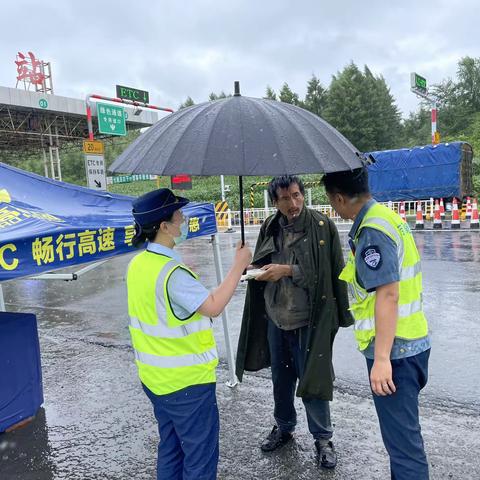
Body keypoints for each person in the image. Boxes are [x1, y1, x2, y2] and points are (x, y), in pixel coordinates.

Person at [126, 188, 252, 480]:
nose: (182, 219)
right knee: (199, 458)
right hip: (187, 385)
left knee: (171, 449)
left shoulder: (138, 265)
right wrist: (238, 265)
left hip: (155, 380)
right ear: (164, 226)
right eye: (177, 214)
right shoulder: (171, 272)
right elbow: (214, 306)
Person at [235, 175, 353, 469]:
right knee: (281, 380)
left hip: (309, 321)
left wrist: (287, 270)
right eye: (285, 199)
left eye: (297, 195)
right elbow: (263, 263)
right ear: (274, 202)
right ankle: (284, 427)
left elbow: (329, 274)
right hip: (277, 317)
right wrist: (252, 267)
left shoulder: (321, 226)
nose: (293, 203)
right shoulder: (270, 226)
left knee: (313, 382)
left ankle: (323, 438)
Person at [322, 167, 431, 480]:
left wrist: (382, 359)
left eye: (331, 201)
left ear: (339, 198)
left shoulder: (372, 229)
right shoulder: (386, 216)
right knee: (402, 440)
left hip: (395, 351)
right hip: (410, 341)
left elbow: (388, 295)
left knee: (404, 448)